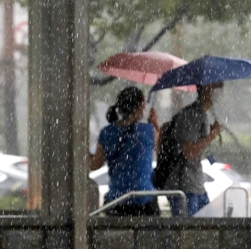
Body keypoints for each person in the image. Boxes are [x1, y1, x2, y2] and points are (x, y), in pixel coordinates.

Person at [90, 86, 161, 216]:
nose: (144, 108)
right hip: (145, 200)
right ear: (138, 107)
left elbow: (95, 165)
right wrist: (154, 123)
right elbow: (162, 150)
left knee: (116, 236)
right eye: (143, 105)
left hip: (117, 201)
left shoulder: (107, 133)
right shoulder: (148, 131)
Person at [164, 82, 224, 216]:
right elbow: (189, 153)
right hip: (184, 186)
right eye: (217, 87)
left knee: (205, 230)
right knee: (189, 233)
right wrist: (212, 135)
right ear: (206, 89)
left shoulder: (203, 114)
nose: (220, 92)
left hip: (196, 184)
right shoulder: (191, 115)